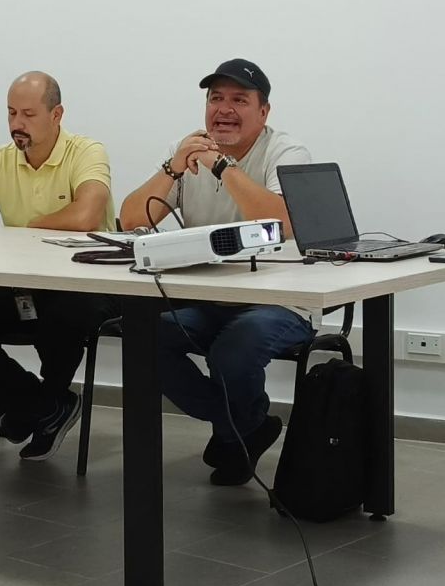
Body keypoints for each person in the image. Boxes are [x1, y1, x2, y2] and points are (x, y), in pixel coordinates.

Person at [119, 58, 314, 485]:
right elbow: (130, 218)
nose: (223, 109)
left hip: (282, 301)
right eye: (215, 99)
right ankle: (245, 425)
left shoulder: (287, 152)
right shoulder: (187, 150)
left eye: (239, 100)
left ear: (263, 112)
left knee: (234, 348)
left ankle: (234, 430)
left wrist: (222, 165)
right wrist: (173, 167)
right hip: (209, 298)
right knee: (143, 335)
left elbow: (281, 223)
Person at [0, 71, 122, 461]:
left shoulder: (86, 152)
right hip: (25, 284)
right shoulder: (1, 161)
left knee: (60, 315)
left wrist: (28, 228)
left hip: (88, 284)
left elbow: (85, 216)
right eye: (11, 113)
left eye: (28, 114)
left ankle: (38, 405)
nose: (17, 124)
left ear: (57, 114)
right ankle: (43, 406)